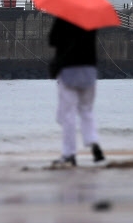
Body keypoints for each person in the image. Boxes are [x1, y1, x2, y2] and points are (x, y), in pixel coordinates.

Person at [48, 17, 105, 168]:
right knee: (87, 110)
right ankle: (93, 142)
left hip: (69, 69)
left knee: (69, 114)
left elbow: (52, 40)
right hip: (89, 69)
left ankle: (69, 154)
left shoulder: (64, 19)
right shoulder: (90, 19)